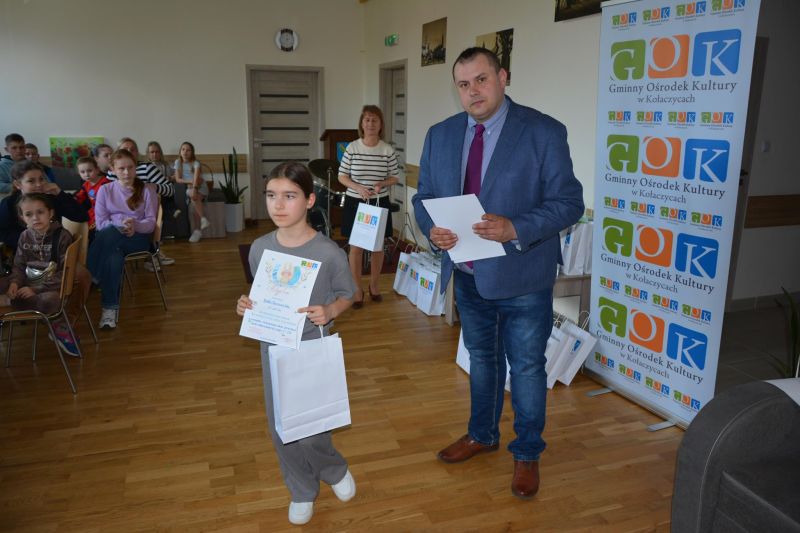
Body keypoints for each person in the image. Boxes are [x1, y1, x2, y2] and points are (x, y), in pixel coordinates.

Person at [412, 47, 584, 500]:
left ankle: (526, 452)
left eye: (482, 80)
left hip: (523, 276)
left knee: (526, 367)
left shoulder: (543, 131)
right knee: (482, 360)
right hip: (468, 275)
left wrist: (516, 228)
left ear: (503, 77)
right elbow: (423, 197)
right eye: (463, 84)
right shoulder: (440, 135)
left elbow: (569, 203)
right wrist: (433, 231)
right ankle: (482, 434)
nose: (473, 91)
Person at [236, 161, 356, 526]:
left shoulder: (328, 252)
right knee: (282, 426)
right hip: (273, 348)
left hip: (313, 346)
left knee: (313, 426)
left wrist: (330, 310)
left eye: (289, 196)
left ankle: (333, 468)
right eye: (271, 195)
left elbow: (349, 294)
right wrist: (246, 305)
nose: (278, 204)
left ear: (309, 200)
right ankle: (301, 489)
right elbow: (262, 292)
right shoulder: (259, 248)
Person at [337, 105, 400, 308]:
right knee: (356, 247)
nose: (371, 124)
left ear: (381, 125)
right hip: (356, 201)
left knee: (377, 246)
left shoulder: (387, 150)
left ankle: (374, 285)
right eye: (367, 120)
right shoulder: (352, 148)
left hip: (379, 202)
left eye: (375, 120)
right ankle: (357, 289)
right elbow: (342, 176)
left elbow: (395, 177)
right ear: (361, 124)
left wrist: (382, 183)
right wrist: (358, 187)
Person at [87, 149, 158, 329]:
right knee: (113, 256)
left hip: (137, 239)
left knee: (111, 234)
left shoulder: (147, 190)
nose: (127, 172)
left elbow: (151, 223)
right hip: (111, 239)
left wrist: (135, 225)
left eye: (130, 167)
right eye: (121, 168)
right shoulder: (105, 190)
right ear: (112, 169)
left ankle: (90, 274)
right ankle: (109, 311)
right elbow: (100, 223)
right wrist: (120, 224)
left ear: (135, 167)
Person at [5, 193, 80, 356]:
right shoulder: (25, 236)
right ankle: (13, 303)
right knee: (7, 284)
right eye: (28, 214)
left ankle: (58, 325)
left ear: (50, 213)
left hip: (49, 288)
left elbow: (65, 273)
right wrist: (14, 283)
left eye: (40, 212)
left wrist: (36, 289)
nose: (35, 218)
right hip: (26, 284)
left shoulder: (62, 236)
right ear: (22, 217)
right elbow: (19, 265)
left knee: (51, 300)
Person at [107, 138, 175, 266]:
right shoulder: (113, 173)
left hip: (142, 219)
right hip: (119, 221)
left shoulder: (147, 167)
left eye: (133, 149)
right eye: (125, 149)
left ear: (137, 152)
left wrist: (154, 187)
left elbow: (170, 190)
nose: (129, 152)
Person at [0, 160, 89, 252]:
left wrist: (59, 193)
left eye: (41, 179)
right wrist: (31, 242)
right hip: (25, 253)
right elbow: (3, 232)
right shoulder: (9, 203)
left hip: (55, 253)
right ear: (18, 184)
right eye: (31, 181)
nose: (39, 184)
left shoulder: (52, 198)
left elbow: (82, 216)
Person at [173, 141, 210, 243]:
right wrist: (190, 182)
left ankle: (198, 230)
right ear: (180, 151)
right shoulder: (178, 162)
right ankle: (202, 220)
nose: (185, 152)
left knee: (194, 199)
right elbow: (178, 179)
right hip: (191, 186)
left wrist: (194, 188)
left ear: (192, 152)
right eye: (183, 149)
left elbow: (197, 178)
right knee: (192, 196)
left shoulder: (196, 163)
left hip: (201, 187)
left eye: (188, 150)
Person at [74, 156, 112, 241]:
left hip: (106, 213)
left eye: (89, 171)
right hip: (93, 212)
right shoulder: (86, 185)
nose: (86, 174)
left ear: (97, 170)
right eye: (82, 172)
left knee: (97, 234)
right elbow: (79, 197)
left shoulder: (105, 183)